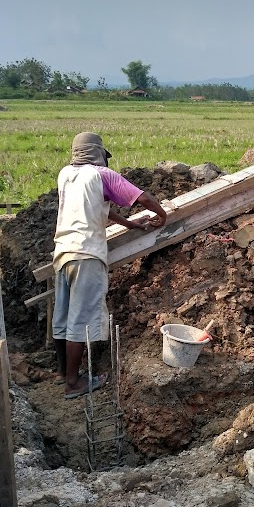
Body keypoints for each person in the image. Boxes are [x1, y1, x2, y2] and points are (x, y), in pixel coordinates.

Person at [52, 132, 167, 399]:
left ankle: (61, 373)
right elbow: (143, 198)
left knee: (63, 316)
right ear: (98, 153)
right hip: (86, 255)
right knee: (81, 321)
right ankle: (73, 383)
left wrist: (130, 224)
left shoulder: (66, 175)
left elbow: (98, 208)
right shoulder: (102, 174)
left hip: (63, 253)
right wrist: (162, 214)